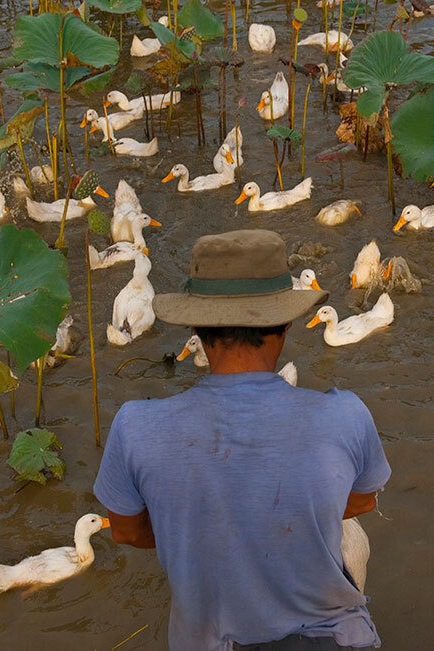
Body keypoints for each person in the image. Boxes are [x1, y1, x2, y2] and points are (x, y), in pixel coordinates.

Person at [94, 229, 391, 650]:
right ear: (286, 324)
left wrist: (203, 523)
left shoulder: (135, 427)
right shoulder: (345, 415)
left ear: (196, 325)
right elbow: (362, 502)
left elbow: (126, 532)